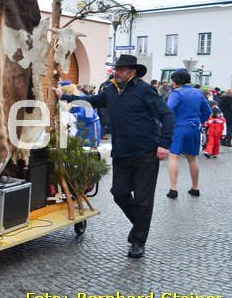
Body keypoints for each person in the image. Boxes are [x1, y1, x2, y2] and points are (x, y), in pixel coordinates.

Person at [55, 54, 173, 259]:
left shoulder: (145, 90)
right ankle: (140, 225)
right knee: (119, 193)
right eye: (116, 69)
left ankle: (138, 241)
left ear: (132, 72)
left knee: (143, 199)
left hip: (146, 152)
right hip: (121, 152)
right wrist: (65, 97)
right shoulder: (110, 90)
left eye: (120, 70)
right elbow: (91, 100)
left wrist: (164, 143)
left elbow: (167, 115)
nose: (116, 72)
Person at [165, 70, 211, 199]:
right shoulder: (198, 92)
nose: (171, 83)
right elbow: (207, 111)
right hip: (194, 128)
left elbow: (168, 111)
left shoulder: (176, 93)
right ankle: (195, 188)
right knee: (192, 158)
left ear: (177, 81)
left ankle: (173, 189)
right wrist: (198, 121)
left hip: (179, 128)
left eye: (172, 80)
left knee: (173, 156)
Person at [61, 81, 101, 148]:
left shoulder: (81, 97)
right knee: (79, 147)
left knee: (90, 147)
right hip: (80, 125)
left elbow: (88, 114)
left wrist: (75, 116)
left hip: (90, 125)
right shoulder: (69, 100)